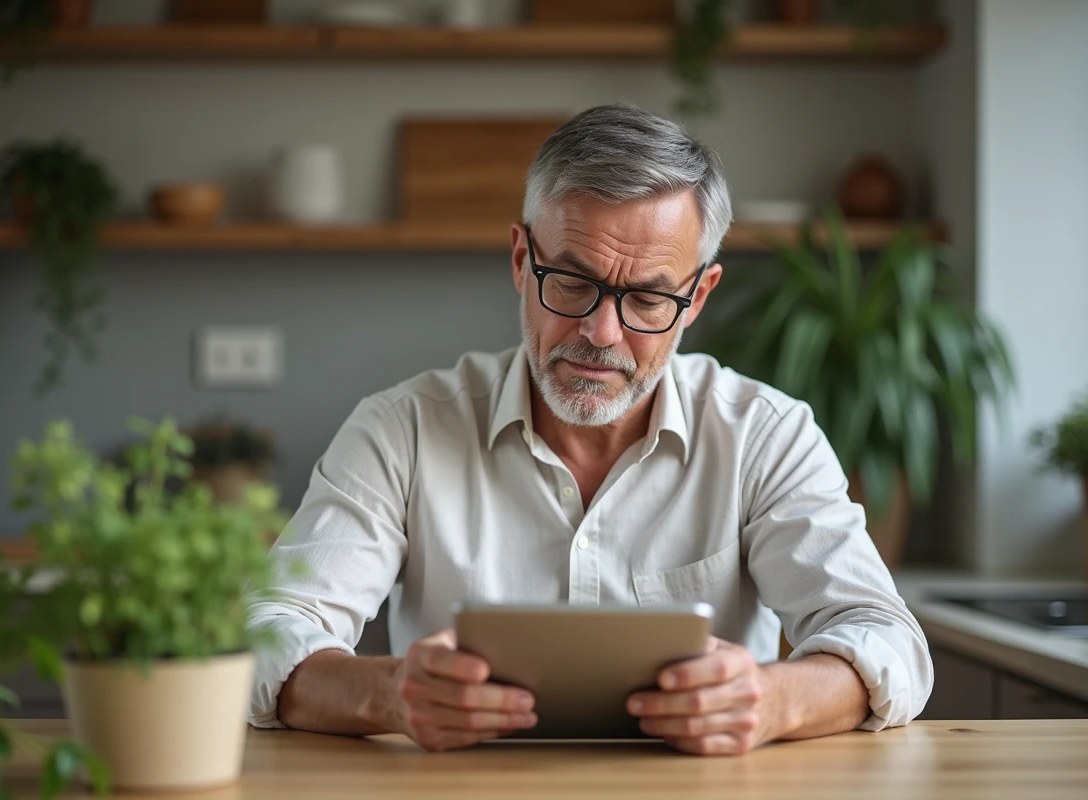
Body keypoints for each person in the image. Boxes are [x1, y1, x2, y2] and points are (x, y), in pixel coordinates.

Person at [246, 103, 932, 756]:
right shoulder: (404, 430)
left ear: (698, 296)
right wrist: (391, 694)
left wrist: (772, 700)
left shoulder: (765, 436)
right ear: (521, 261)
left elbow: (887, 641)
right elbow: (265, 635)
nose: (601, 333)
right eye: (572, 283)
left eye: (648, 297)